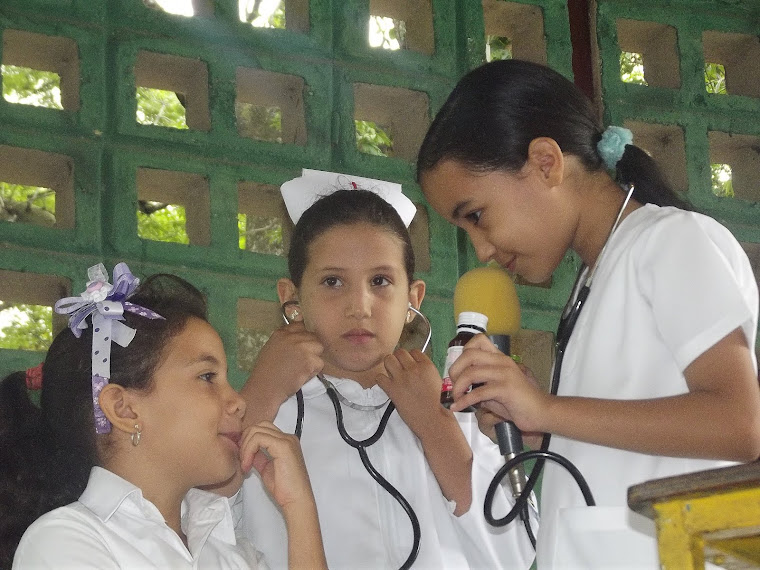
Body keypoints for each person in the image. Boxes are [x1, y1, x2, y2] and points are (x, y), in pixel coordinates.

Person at [416, 58, 760, 568]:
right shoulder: (592, 282)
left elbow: (740, 421)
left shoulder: (671, 240)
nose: (482, 250)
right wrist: (542, 431)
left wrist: (547, 409)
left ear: (546, 162)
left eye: (477, 216)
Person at [237, 169, 536, 569]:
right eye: (332, 282)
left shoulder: (457, 410)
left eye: (380, 280)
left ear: (413, 298)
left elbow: (520, 550)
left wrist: (435, 425)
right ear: (291, 298)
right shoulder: (270, 411)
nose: (360, 306)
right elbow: (199, 513)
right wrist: (261, 393)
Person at [1, 262, 327, 569]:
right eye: (207, 377)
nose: (238, 403)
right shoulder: (64, 542)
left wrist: (299, 508)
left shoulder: (227, 551)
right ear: (124, 409)